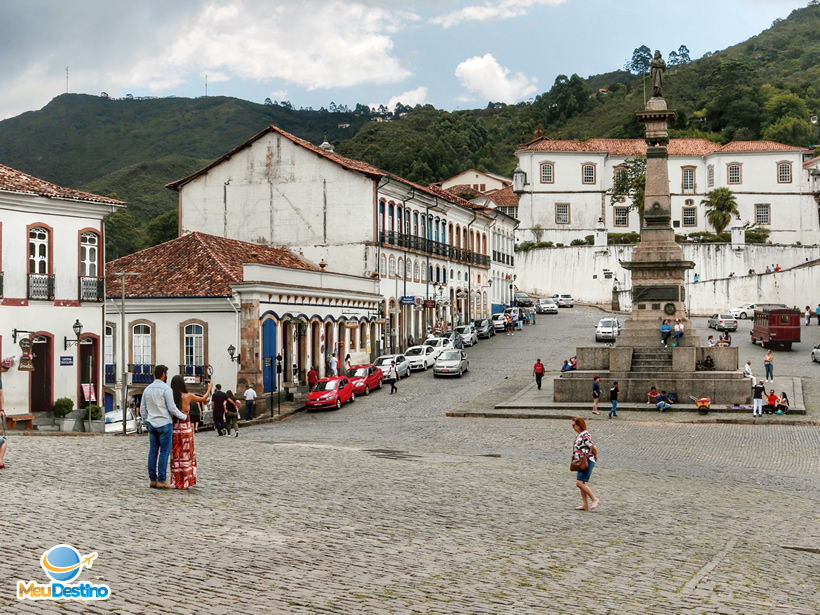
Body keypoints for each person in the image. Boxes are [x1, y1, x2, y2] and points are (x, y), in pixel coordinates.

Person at [140, 365, 188, 488]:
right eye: (166, 373)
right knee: (164, 452)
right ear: (163, 374)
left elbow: (142, 409)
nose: (167, 376)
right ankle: (161, 480)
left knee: (152, 452)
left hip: (152, 424)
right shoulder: (166, 389)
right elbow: (172, 408)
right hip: (164, 424)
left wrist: (147, 421)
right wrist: (183, 416)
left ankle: (152, 479)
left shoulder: (147, 389)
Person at [169, 376, 212, 490]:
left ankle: (176, 481)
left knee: (176, 455)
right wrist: (209, 388)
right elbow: (204, 399)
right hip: (186, 428)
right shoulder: (188, 396)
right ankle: (186, 481)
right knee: (186, 454)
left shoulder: (171, 397)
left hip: (175, 428)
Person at [571, 417, 599, 511]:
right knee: (581, 483)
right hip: (580, 461)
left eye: (574, 425)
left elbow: (593, 447)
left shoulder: (585, 435)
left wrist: (595, 456)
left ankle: (594, 499)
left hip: (587, 460)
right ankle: (585, 505)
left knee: (579, 483)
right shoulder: (579, 435)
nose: (573, 427)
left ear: (579, 425)